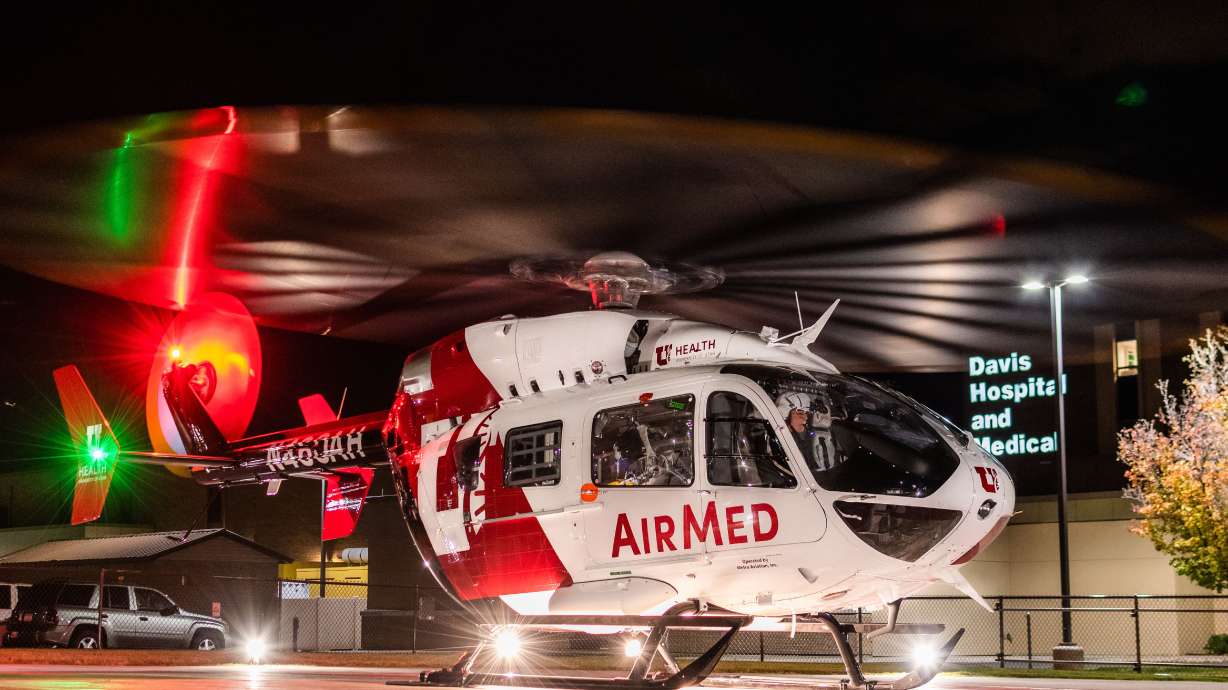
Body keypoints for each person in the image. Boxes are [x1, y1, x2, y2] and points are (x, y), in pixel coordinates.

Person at [776, 391, 834, 472]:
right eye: (800, 413)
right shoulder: (778, 441)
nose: (805, 418)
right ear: (785, 415)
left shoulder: (812, 436)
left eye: (806, 413)